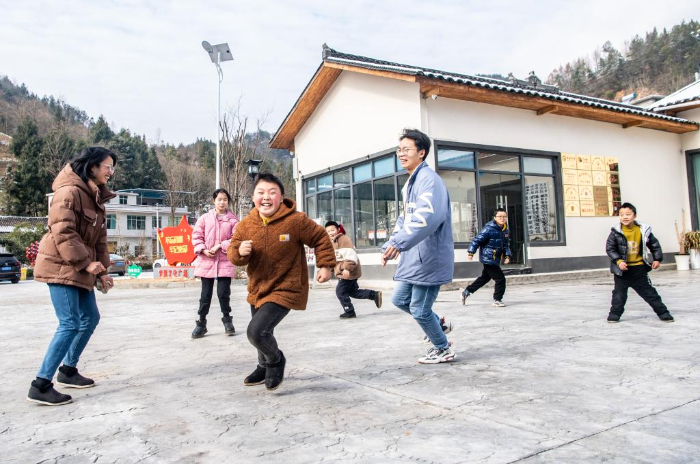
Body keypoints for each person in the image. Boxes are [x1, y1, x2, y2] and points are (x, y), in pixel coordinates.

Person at [228, 173, 335, 391]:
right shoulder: (246, 225)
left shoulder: (295, 221)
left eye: (272, 192)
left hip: (287, 287)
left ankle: (276, 361)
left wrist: (325, 265)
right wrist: (239, 251)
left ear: (281, 197)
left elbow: (320, 237)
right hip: (258, 288)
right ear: (253, 197)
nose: (266, 197)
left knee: (256, 332)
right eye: (261, 192)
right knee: (264, 331)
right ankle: (262, 366)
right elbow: (233, 252)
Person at [28, 147, 118, 405]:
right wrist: (85, 263)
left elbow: (100, 240)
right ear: (92, 166)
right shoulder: (68, 192)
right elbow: (63, 232)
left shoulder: (95, 197)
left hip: (80, 267)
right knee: (69, 323)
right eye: (107, 166)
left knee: (90, 318)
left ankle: (68, 370)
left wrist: (102, 272)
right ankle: (40, 384)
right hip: (60, 266)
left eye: (112, 167)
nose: (110, 172)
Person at [381, 128, 456, 364]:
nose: (401, 154)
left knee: (420, 309)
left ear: (421, 152)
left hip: (429, 256)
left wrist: (399, 243)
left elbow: (427, 217)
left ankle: (443, 348)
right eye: (399, 150)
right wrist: (392, 243)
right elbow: (405, 219)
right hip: (414, 256)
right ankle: (439, 324)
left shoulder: (429, 180)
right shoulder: (412, 183)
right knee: (400, 300)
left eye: (406, 149)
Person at [605, 202, 674, 323]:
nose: (624, 217)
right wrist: (619, 261)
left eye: (628, 214)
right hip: (622, 271)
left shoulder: (643, 230)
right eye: (621, 214)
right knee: (619, 295)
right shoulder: (615, 232)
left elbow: (654, 245)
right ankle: (614, 314)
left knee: (649, 293)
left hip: (639, 269)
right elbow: (610, 249)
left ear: (635, 215)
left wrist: (657, 259)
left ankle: (663, 313)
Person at [191, 188, 240, 338]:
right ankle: (201, 323)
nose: (222, 202)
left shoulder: (233, 220)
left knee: (223, 293)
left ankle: (227, 320)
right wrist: (204, 250)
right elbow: (196, 237)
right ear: (214, 201)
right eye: (219, 199)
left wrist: (220, 245)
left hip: (225, 261)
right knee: (205, 295)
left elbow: (236, 239)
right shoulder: (204, 219)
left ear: (228, 201)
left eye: (225, 199)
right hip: (207, 261)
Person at [325, 220, 382, 319]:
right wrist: (330, 269)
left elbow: (351, 256)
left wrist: (347, 269)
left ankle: (349, 311)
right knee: (353, 292)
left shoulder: (344, 240)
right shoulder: (332, 242)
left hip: (348, 271)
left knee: (340, 292)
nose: (330, 233)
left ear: (338, 229)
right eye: (328, 231)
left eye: (332, 230)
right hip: (344, 271)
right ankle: (374, 295)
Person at [461, 208, 512, 307]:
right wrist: (471, 252)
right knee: (500, 279)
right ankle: (497, 299)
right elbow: (477, 240)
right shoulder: (488, 229)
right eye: (500, 216)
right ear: (495, 218)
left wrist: (507, 256)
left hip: (496, 258)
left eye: (504, 216)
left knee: (485, 278)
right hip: (488, 257)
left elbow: (506, 245)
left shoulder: (505, 230)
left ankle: (466, 291)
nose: (502, 218)